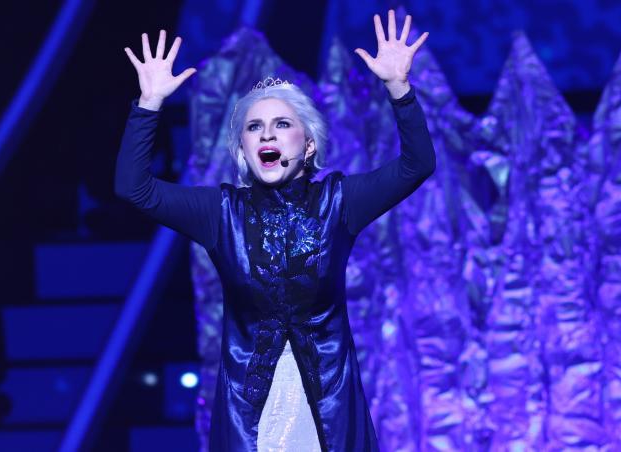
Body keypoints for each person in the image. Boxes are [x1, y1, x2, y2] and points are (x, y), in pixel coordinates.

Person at [117, 9, 435, 451]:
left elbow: (417, 165)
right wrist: (149, 104)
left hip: (327, 412)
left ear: (308, 144)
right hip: (252, 418)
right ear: (244, 150)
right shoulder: (221, 213)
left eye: (282, 124)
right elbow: (134, 188)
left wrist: (399, 89)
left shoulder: (339, 203)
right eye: (254, 127)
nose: (267, 134)